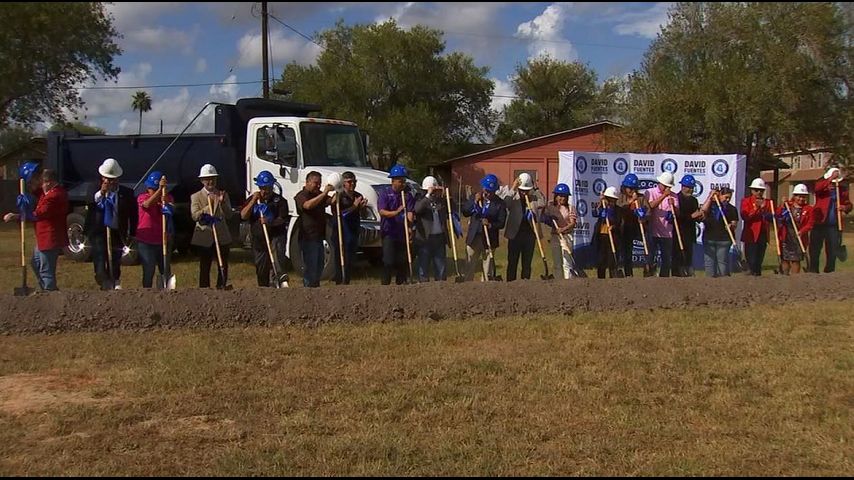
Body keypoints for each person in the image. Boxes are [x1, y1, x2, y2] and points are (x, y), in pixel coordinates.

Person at [3, 164, 69, 291]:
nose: (40, 184)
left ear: (49, 182)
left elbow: (39, 214)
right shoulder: (49, 192)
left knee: (46, 269)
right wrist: (26, 187)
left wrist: (16, 216)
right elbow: (35, 190)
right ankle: (44, 289)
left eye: (42, 182)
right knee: (35, 263)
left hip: (50, 237)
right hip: (42, 237)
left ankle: (50, 293)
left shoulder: (54, 196)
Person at [85, 158, 137, 290]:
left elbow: (133, 214)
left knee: (115, 260)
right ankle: (103, 281)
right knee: (100, 260)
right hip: (98, 232)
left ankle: (115, 281)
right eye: (107, 178)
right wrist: (102, 192)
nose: (110, 181)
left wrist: (132, 233)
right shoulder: (93, 188)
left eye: (113, 179)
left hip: (117, 231)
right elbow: (90, 202)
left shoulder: (127, 193)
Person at [242, 170, 290, 287]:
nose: (265, 191)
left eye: (268, 188)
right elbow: (243, 215)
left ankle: (278, 282)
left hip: (275, 237)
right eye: (263, 188)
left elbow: (282, 219)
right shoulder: (253, 200)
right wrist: (253, 201)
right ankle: (263, 288)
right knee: (261, 267)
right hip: (259, 240)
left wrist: (270, 223)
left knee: (276, 260)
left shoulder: (280, 201)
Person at [190, 164, 233, 288]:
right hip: (205, 235)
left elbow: (229, 214)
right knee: (205, 265)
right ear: (202, 181)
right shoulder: (196, 196)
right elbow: (194, 215)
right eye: (207, 179)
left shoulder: (223, 194)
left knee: (223, 264)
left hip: (221, 235)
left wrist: (223, 203)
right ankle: (204, 289)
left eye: (213, 178)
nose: (210, 181)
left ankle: (222, 286)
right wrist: (209, 207)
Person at [501, 172, 545, 281]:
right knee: (512, 262)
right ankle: (511, 283)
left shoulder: (534, 198)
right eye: (522, 190)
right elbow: (505, 204)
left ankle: (525, 284)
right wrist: (513, 188)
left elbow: (543, 202)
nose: (524, 193)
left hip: (529, 235)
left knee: (527, 263)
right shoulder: (513, 197)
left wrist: (535, 188)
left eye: (526, 191)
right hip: (515, 235)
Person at [463, 175, 507, 281]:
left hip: (489, 239)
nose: (488, 193)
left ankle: (486, 290)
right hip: (474, 237)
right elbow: (465, 212)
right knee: (469, 266)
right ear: (483, 188)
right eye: (486, 190)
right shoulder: (475, 197)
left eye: (491, 191)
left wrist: (490, 224)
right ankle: (467, 288)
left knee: (488, 268)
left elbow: (501, 223)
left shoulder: (499, 203)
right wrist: (474, 202)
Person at [377, 165, 415, 285]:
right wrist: (396, 212)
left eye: (404, 181)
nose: (403, 183)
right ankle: (385, 285)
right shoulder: (385, 194)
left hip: (401, 232)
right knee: (388, 261)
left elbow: (410, 212)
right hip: (389, 232)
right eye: (400, 181)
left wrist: (410, 225)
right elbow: (382, 211)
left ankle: (401, 284)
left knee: (402, 261)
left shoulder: (407, 195)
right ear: (393, 181)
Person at [809, 167, 852, 273]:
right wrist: (829, 180)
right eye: (832, 181)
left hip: (833, 226)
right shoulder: (822, 189)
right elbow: (816, 188)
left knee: (832, 250)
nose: (834, 183)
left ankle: (829, 271)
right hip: (819, 223)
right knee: (815, 249)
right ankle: (813, 271)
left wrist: (845, 207)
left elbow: (849, 205)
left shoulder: (841, 191)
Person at [294, 171, 333, 288]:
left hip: (319, 236)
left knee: (319, 265)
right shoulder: (301, 195)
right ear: (307, 182)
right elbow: (308, 205)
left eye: (319, 184)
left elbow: (332, 201)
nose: (318, 186)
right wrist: (324, 193)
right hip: (307, 237)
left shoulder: (319, 194)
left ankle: (315, 289)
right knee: (310, 266)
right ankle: (308, 290)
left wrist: (338, 190)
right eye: (316, 183)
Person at [136, 171, 174, 288]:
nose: (151, 190)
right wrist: (159, 191)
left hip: (162, 240)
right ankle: (147, 292)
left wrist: (164, 199)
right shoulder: (142, 197)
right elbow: (147, 205)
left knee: (165, 269)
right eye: (151, 188)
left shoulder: (167, 198)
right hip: (146, 241)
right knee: (149, 269)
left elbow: (171, 210)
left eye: (154, 188)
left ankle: (166, 291)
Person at [331, 171, 366, 285]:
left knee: (351, 258)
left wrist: (361, 207)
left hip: (353, 229)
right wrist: (354, 206)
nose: (352, 184)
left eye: (354, 182)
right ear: (344, 183)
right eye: (349, 182)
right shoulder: (339, 196)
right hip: (341, 230)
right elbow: (339, 214)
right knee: (341, 257)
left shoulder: (357, 195)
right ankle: (339, 280)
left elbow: (361, 213)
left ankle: (347, 280)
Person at [644, 172, 679, 277]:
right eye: (665, 186)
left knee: (666, 259)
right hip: (652, 231)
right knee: (650, 256)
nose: (667, 188)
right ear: (660, 183)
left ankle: (665, 279)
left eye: (669, 186)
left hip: (667, 232)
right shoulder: (650, 192)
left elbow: (677, 213)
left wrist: (674, 207)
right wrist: (664, 196)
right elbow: (650, 206)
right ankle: (648, 276)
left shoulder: (674, 196)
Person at [413, 176, 448, 282]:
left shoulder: (440, 201)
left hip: (439, 237)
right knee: (423, 265)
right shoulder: (420, 200)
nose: (434, 193)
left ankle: (441, 285)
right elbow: (417, 209)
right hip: (425, 238)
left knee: (440, 266)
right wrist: (428, 195)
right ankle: (424, 287)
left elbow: (450, 210)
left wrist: (444, 195)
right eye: (433, 190)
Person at [539, 183, 577, 279]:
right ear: (556, 196)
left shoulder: (571, 208)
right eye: (560, 196)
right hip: (555, 237)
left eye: (564, 196)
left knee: (566, 262)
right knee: (557, 262)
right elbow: (543, 217)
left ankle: (568, 281)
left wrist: (563, 229)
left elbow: (573, 223)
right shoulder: (551, 207)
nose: (562, 198)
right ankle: (558, 282)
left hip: (566, 236)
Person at [616, 173, 650, 277]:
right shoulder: (620, 197)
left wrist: (643, 217)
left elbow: (648, 211)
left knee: (641, 247)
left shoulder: (641, 198)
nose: (631, 191)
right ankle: (621, 271)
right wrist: (630, 201)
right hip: (623, 227)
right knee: (622, 250)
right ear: (625, 187)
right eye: (629, 188)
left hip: (637, 226)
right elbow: (619, 208)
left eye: (634, 188)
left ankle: (645, 269)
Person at [700, 187, 738, 277]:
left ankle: (723, 283)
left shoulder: (731, 209)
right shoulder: (711, 205)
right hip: (709, 238)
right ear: (720, 195)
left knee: (722, 262)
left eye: (729, 197)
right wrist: (710, 196)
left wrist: (731, 225)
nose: (727, 200)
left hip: (724, 240)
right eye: (726, 197)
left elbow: (735, 223)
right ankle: (710, 282)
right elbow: (703, 211)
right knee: (709, 262)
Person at [777, 184, 814, 275]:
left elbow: (810, 224)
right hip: (787, 236)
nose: (801, 199)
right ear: (794, 196)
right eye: (799, 196)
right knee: (785, 258)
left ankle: (794, 280)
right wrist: (782, 204)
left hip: (799, 238)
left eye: (803, 197)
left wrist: (802, 231)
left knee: (796, 260)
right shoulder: (787, 205)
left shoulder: (809, 209)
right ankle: (784, 277)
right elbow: (778, 215)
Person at [740, 178, 772, 276]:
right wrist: (756, 208)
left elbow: (771, 217)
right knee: (751, 260)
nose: (758, 192)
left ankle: (758, 277)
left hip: (762, 234)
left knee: (759, 260)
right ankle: (750, 274)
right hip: (751, 235)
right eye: (756, 190)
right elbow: (745, 216)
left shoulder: (768, 202)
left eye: (761, 190)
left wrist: (767, 213)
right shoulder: (746, 201)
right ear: (752, 190)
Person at [672, 175, 703, 276]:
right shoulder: (677, 198)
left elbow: (696, 216)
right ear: (683, 187)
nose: (690, 190)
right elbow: (678, 217)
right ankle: (677, 273)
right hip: (678, 232)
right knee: (678, 255)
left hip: (690, 233)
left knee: (689, 254)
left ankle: (688, 271)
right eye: (688, 187)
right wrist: (691, 216)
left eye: (692, 188)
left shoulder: (694, 200)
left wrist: (699, 216)